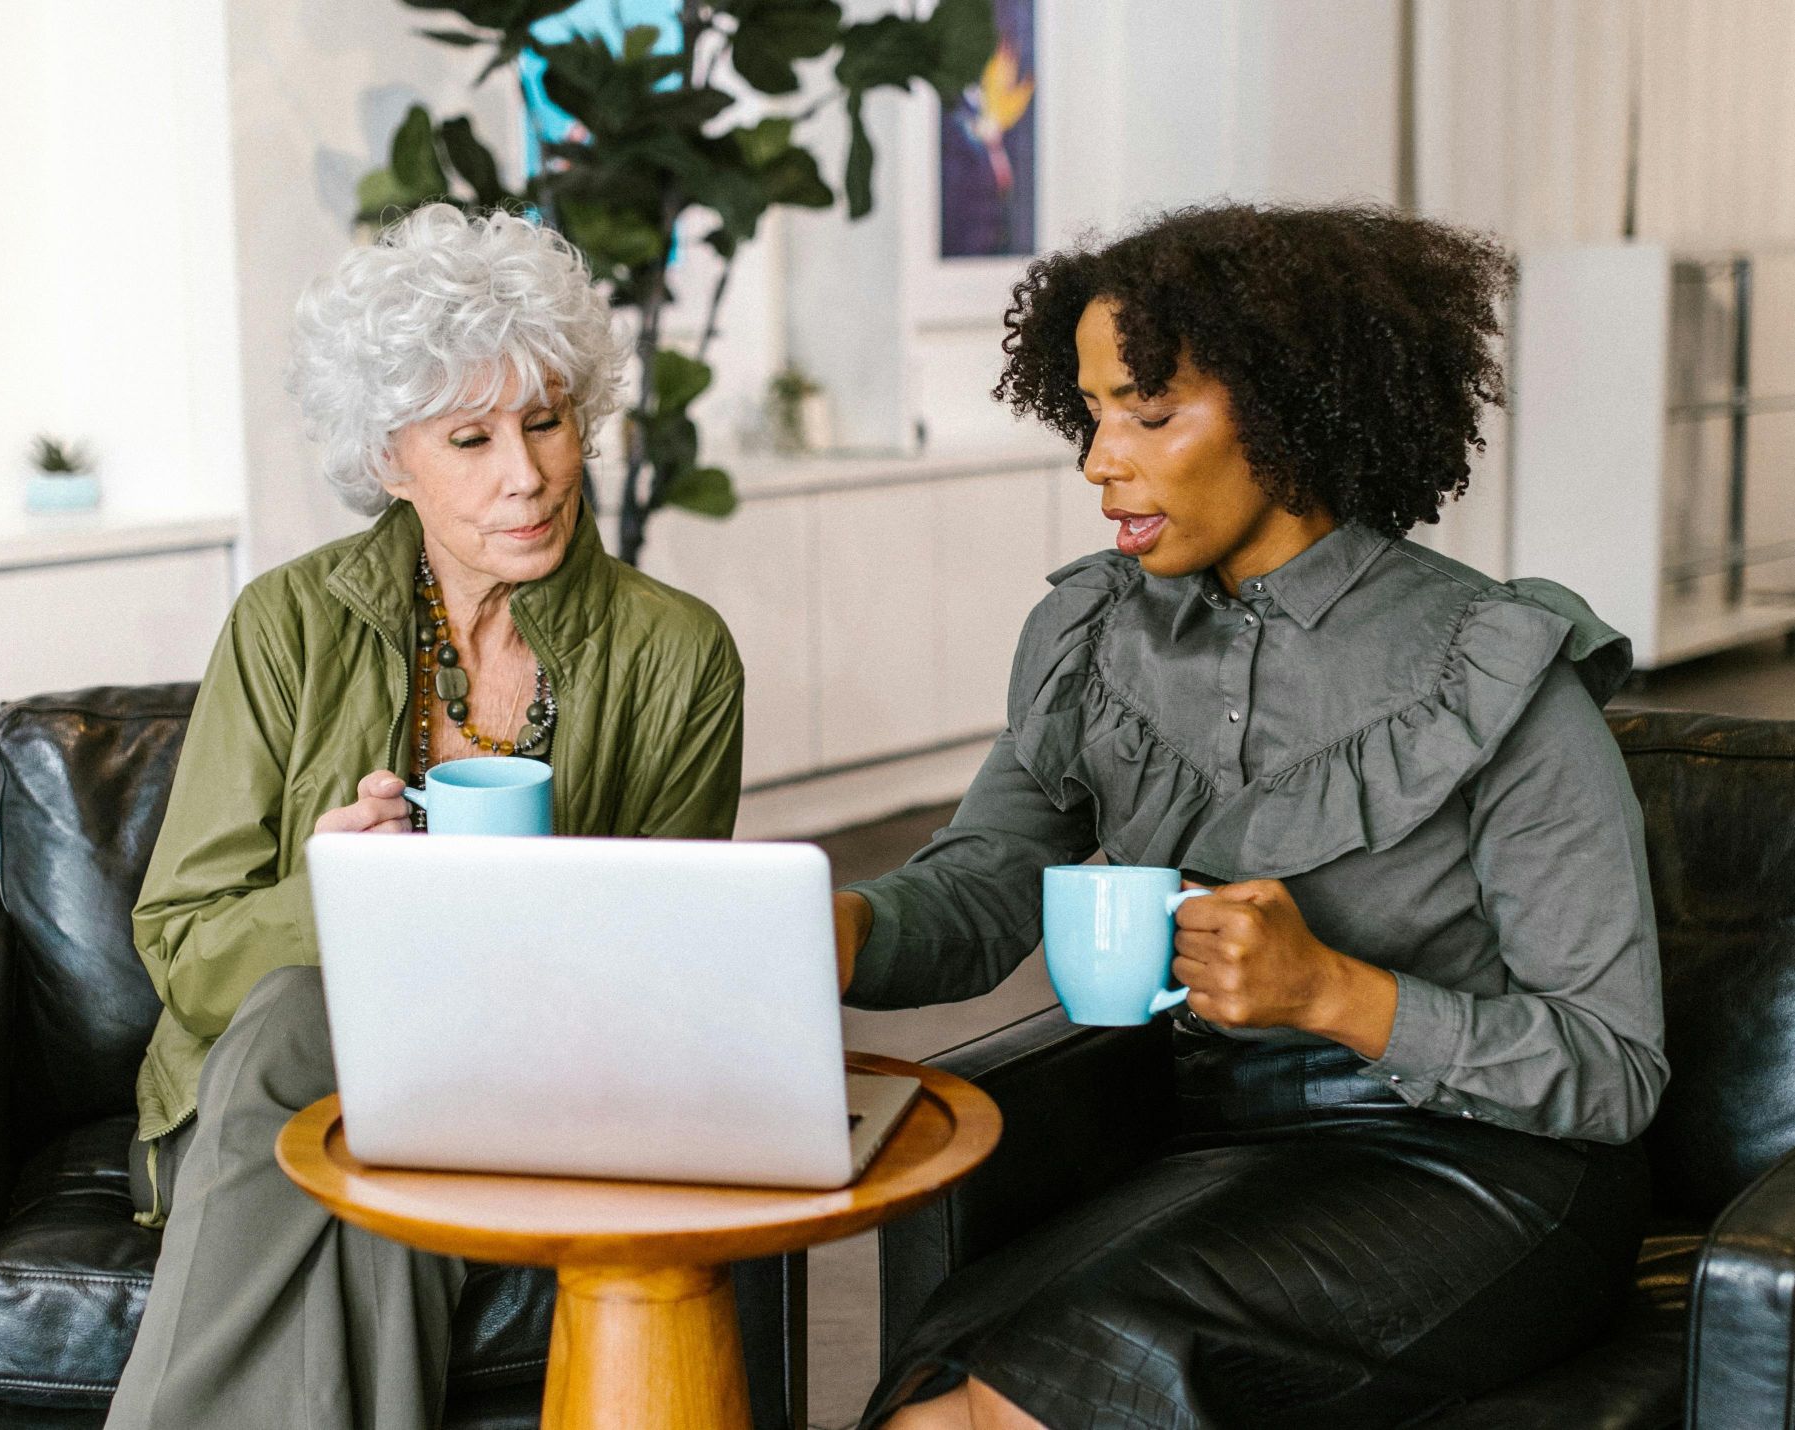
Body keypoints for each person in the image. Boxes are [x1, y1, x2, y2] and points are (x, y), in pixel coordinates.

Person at [833, 203, 1667, 1430]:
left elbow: (1614, 1069)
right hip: (1224, 1147)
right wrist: (828, 927)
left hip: (1490, 1171)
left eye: (1150, 412)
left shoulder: (1491, 664)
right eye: (1094, 409)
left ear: (1284, 412)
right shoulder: (1092, 635)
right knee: (940, 1385)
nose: (1097, 459)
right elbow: (982, 885)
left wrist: (1331, 990)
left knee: (1028, 1395)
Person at [106, 203, 744, 1430]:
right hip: (274, 1100)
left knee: (346, 1069)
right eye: (470, 436)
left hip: (538, 1085)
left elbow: (669, 974)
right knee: (321, 1044)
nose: (528, 472)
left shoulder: (679, 653)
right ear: (390, 458)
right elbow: (183, 955)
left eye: (547, 421)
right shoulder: (285, 624)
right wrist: (330, 898)